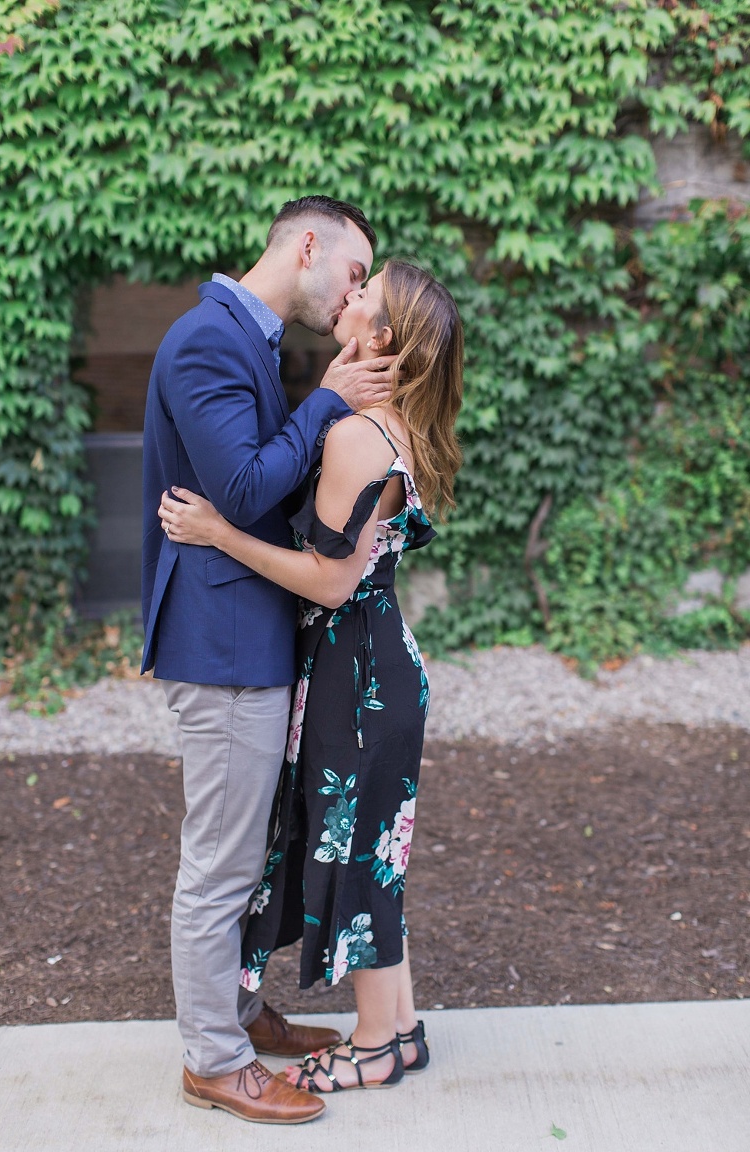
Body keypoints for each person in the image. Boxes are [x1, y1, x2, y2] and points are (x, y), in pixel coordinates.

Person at [158, 258, 464, 1093]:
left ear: (383, 336)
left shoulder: (359, 437)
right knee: (377, 852)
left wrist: (223, 534)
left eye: (366, 292)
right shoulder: (392, 424)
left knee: (358, 854)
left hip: (352, 673)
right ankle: (400, 1030)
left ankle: (372, 1045)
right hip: (379, 662)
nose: (349, 296)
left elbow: (329, 582)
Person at [141, 196, 398, 1125]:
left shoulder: (247, 339)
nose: (354, 292)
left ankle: (241, 1014)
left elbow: (261, 488)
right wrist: (328, 400)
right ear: (307, 245)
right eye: (355, 271)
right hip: (219, 645)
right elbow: (246, 487)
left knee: (245, 852)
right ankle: (214, 1060)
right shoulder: (208, 341)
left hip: (247, 634)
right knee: (218, 864)